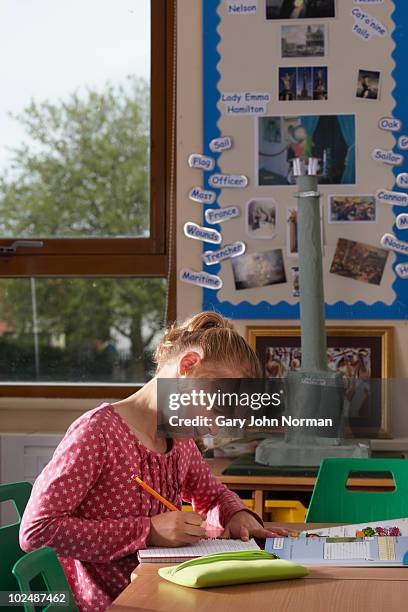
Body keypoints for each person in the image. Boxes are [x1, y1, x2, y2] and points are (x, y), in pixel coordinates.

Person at [19, 312, 290, 612]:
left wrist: (235, 514)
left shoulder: (179, 439)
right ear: (187, 366)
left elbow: (211, 495)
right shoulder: (97, 433)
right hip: (115, 604)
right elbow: (36, 532)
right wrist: (147, 531)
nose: (214, 428)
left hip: (166, 593)